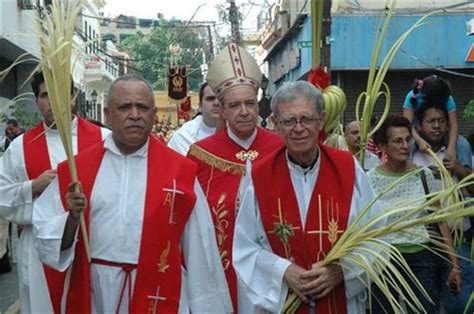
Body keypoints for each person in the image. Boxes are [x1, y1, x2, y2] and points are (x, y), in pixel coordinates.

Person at [32, 74, 232, 313]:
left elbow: (201, 247)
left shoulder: (180, 172)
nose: (135, 115)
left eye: (143, 107)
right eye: (125, 107)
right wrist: (72, 218)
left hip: (157, 290)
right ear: (107, 114)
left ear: (154, 114)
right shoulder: (76, 170)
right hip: (95, 293)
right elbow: (46, 239)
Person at [233, 81, 380, 313]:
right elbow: (244, 248)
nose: (298, 128)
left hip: (340, 299)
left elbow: (375, 235)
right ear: (275, 125)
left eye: (306, 119)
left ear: (321, 120)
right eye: (289, 121)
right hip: (284, 303)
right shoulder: (259, 176)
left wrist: (342, 270)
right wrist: (283, 272)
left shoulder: (348, 169)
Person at [0, 71, 109, 313]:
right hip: (40, 250)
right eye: (46, 95)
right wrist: (33, 187)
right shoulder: (20, 147)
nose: (55, 101)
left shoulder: (104, 140)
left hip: (94, 241)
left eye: (61, 93)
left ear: (73, 96)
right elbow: (2, 197)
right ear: (37, 101)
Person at [187, 43, 283, 310]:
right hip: (219, 269)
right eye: (235, 105)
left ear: (258, 105)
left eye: (250, 103)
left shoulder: (281, 149)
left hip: (274, 268)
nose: (244, 111)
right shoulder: (199, 156)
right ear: (224, 110)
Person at [368, 114, 461, 313]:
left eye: (408, 140)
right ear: (384, 146)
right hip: (384, 262)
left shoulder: (424, 175)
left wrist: (454, 265)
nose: (405, 146)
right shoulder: (370, 180)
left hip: (421, 260)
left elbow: (440, 221)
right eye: (397, 141)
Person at [411, 104, 473, 313]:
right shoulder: (410, 154)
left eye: (441, 121)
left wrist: (457, 169)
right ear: (419, 126)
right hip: (424, 243)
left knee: (460, 302)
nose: (436, 126)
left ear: (448, 125)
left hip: (458, 239)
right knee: (426, 304)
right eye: (431, 121)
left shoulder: (458, 151)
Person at [403, 75, 460, 162]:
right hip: (414, 131)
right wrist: (418, 140)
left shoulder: (448, 98)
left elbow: (453, 124)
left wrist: (452, 148)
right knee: (408, 145)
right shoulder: (412, 96)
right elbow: (407, 124)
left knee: (462, 144)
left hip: (443, 133)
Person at [167, 82, 220, 155]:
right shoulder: (183, 136)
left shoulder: (238, 133)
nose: (216, 103)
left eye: (220, 98)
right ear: (200, 106)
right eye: (210, 99)